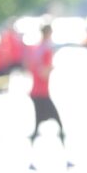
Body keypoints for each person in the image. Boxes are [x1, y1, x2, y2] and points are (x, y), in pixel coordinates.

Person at [26, 20, 66, 158]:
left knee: (38, 126)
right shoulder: (47, 50)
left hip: (36, 92)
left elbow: (30, 66)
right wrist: (51, 68)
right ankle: (65, 157)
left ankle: (31, 158)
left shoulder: (37, 48)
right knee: (58, 125)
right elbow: (44, 72)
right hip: (41, 93)